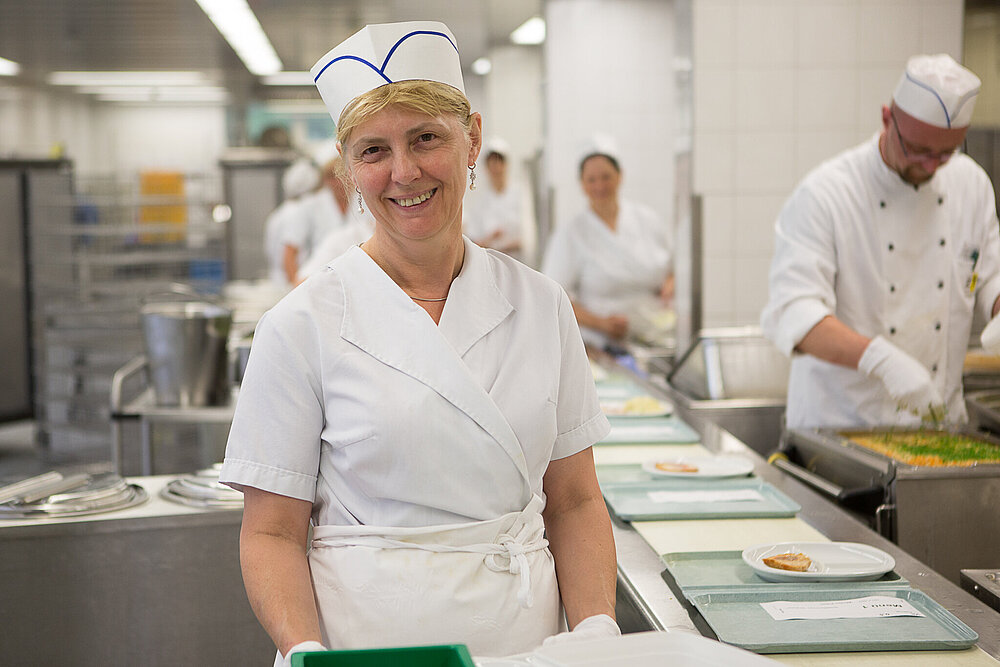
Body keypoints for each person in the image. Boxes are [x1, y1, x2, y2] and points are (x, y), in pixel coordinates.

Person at [219, 21, 619, 665]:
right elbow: (270, 532)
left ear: (472, 140)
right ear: (348, 169)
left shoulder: (541, 306)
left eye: (426, 138)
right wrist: (302, 650)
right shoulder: (300, 325)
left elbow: (574, 500)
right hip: (368, 650)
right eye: (372, 151)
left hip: (528, 643)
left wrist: (596, 626)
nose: (404, 172)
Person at [760, 54, 1000, 429]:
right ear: (887, 119)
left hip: (937, 428)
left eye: (945, 153)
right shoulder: (827, 194)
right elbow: (795, 312)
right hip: (843, 426)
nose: (931, 165)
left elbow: (989, 276)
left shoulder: (970, 184)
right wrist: (880, 360)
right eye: (919, 150)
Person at [542, 136, 674, 349]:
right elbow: (552, 296)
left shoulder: (647, 220)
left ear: (620, 176)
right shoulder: (571, 233)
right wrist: (601, 323)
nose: (599, 186)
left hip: (657, 339)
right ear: (582, 185)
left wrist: (670, 285)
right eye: (591, 180)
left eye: (606, 177)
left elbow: (673, 270)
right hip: (601, 346)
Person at [281, 156, 351, 283]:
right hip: (318, 278)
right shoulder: (310, 206)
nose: (339, 182)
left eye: (344, 176)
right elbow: (290, 252)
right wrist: (296, 289)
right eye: (333, 177)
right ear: (325, 180)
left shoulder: (366, 203)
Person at [463, 137, 526, 260]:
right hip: (490, 264)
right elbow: (473, 241)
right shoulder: (480, 200)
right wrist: (491, 239)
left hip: (517, 263)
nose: (496, 167)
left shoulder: (519, 193)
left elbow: (526, 238)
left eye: (499, 161)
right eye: (491, 162)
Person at [265, 159, 320, 289]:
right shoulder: (298, 212)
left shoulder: (283, 211)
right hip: (288, 285)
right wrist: (297, 291)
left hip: (280, 282)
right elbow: (289, 255)